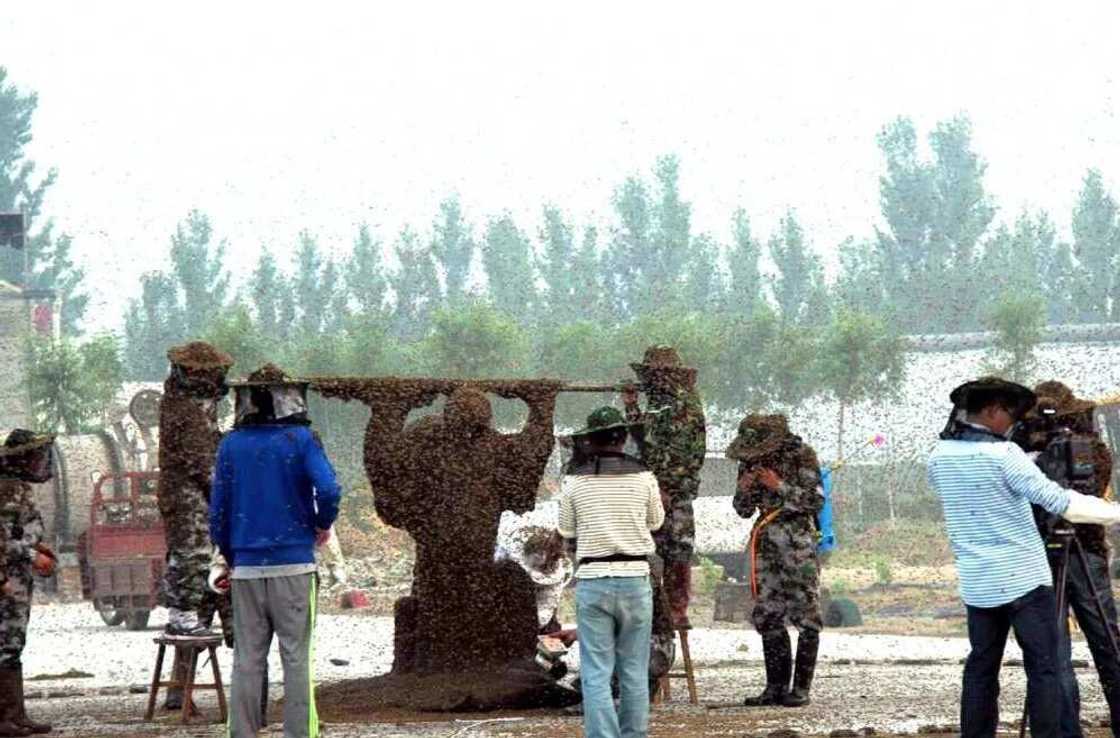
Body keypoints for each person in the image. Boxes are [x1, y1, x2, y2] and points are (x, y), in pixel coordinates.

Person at [927, 377, 1120, 738]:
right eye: (1010, 414)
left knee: (981, 667)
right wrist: (1115, 512)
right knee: (1045, 667)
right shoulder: (1005, 456)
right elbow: (1063, 503)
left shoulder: (939, 457)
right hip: (1025, 581)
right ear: (991, 411)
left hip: (978, 584)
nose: (1015, 423)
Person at [209, 365, 342, 738]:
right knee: (297, 659)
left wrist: (231, 556)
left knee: (247, 660)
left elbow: (218, 510)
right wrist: (321, 522)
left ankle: (244, 734)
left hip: (246, 569)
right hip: (296, 567)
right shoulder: (300, 439)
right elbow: (329, 490)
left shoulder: (230, 445)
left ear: (247, 400)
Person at [558, 406, 664, 738]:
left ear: (588, 440)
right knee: (633, 669)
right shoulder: (645, 477)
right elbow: (656, 522)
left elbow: (566, 528)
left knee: (596, 672)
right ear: (623, 438)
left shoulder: (574, 482)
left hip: (593, 581)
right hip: (635, 579)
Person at [1022, 380, 1120, 738]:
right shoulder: (1094, 448)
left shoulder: (1023, 454)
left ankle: (1062, 731)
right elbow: (1095, 494)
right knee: (1109, 642)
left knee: (1053, 652)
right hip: (1089, 551)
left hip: (1040, 551)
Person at [728, 414, 824, 707]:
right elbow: (742, 510)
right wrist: (744, 488)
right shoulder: (749, 461)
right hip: (765, 545)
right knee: (768, 615)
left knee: (805, 616)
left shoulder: (802, 456)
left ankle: (801, 689)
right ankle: (775, 687)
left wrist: (778, 485)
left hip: (797, 545)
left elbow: (815, 501)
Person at [623, 345, 706, 630]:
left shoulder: (683, 404)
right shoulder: (660, 402)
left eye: (658, 374)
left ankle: (676, 609)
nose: (653, 380)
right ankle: (652, 608)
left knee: (677, 551)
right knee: (648, 552)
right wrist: (632, 407)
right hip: (655, 489)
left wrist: (666, 488)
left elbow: (683, 454)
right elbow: (644, 441)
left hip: (674, 491)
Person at [158, 341, 234, 637]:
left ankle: (194, 613)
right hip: (184, 491)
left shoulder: (191, 403)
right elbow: (201, 459)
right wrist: (223, 494)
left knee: (200, 552)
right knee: (192, 552)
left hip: (190, 488)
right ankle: (182, 616)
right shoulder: (184, 408)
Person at [0, 430, 57, 737]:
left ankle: (16, 715)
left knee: (13, 645)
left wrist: (39, 547)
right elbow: (5, 540)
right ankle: (5, 718)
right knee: (5, 646)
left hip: (17, 576)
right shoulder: (6, 488)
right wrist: (33, 554)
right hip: (8, 578)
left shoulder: (15, 487)